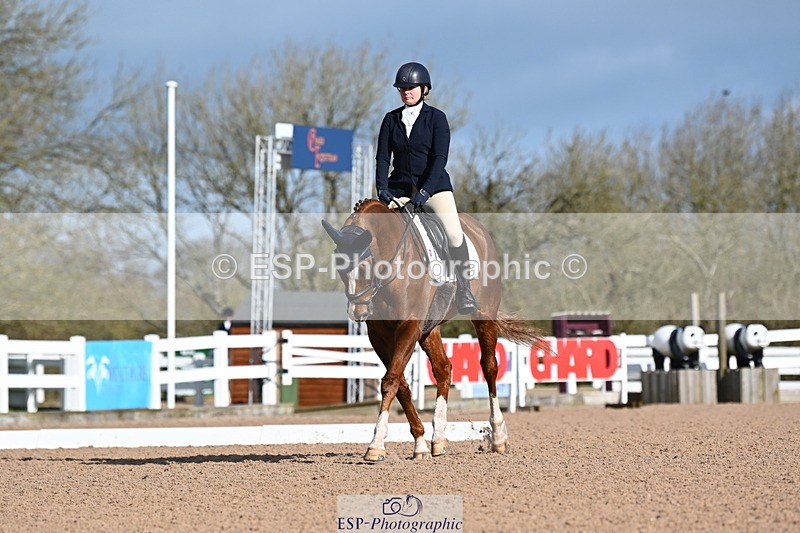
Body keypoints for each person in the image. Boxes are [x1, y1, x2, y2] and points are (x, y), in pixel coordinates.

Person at [375, 61, 477, 314]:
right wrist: (382, 189)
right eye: (401, 88)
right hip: (399, 188)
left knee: (454, 234)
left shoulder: (437, 119)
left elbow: (440, 158)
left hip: (434, 187)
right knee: (375, 229)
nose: (406, 92)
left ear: (424, 88)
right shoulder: (390, 120)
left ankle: (463, 289)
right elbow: (383, 158)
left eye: (410, 87)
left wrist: (425, 191)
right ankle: (374, 289)